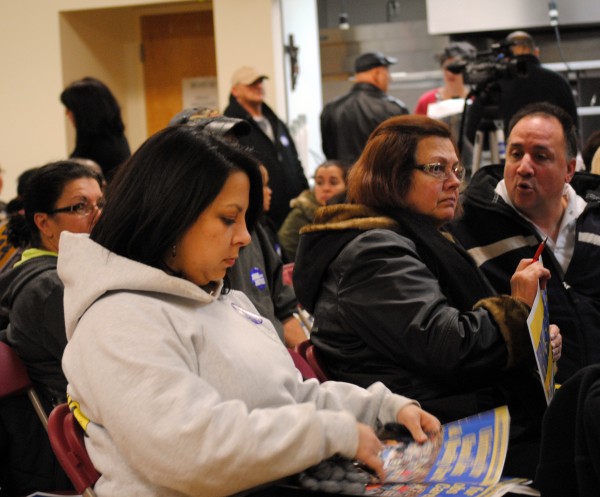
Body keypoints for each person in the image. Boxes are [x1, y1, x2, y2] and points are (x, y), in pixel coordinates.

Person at [58, 124, 440, 497]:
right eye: (228, 219)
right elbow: (191, 452)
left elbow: (290, 396)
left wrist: (380, 409)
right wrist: (328, 433)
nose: (243, 237)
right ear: (170, 215)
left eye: (245, 220)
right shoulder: (118, 319)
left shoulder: (222, 299)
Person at [293, 114, 562, 479]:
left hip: (454, 410)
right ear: (392, 176)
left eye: (456, 169)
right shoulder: (374, 252)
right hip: (432, 430)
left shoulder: (412, 237)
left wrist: (531, 337)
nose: (453, 183)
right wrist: (515, 310)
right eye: (437, 169)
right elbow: (451, 347)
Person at [450, 102, 600, 384]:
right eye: (516, 154)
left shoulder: (594, 220)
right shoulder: (467, 229)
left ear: (569, 169)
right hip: (524, 412)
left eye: (541, 156)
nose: (524, 167)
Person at [0, 160, 103, 496]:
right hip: (70, 452)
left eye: (101, 203)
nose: (98, 214)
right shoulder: (49, 288)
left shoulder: (61, 270)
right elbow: (110, 373)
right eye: (80, 207)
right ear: (43, 222)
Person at [224, 66, 308, 229]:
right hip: (261, 218)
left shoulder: (276, 122)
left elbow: (295, 161)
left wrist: (304, 195)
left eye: (260, 82)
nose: (259, 87)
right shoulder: (232, 126)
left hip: (292, 214)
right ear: (235, 91)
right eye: (251, 84)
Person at [465, 30, 579, 144]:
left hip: (503, 153)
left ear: (505, 55)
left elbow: (472, 133)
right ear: (536, 52)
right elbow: (572, 131)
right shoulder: (558, 82)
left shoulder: (491, 84)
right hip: (548, 153)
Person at [320, 51, 409, 165]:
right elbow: (404, 154)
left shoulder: (331, 108)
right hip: (380, 181)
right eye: (387, 73)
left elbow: (329, 152)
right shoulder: (394, 109)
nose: (390, 79)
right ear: (378, 74)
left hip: (345, 180)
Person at [60, 76, 131, 181]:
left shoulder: (102, 147)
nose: (67, 113)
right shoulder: (114, 138)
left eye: (70, 108)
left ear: (85, 110)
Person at [278, 160, 348, 262]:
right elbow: (285, 255)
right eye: (319, 183)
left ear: (347, 185)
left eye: (333, 182)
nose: (325, 188)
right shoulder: (299, 214)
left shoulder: (353, 213)